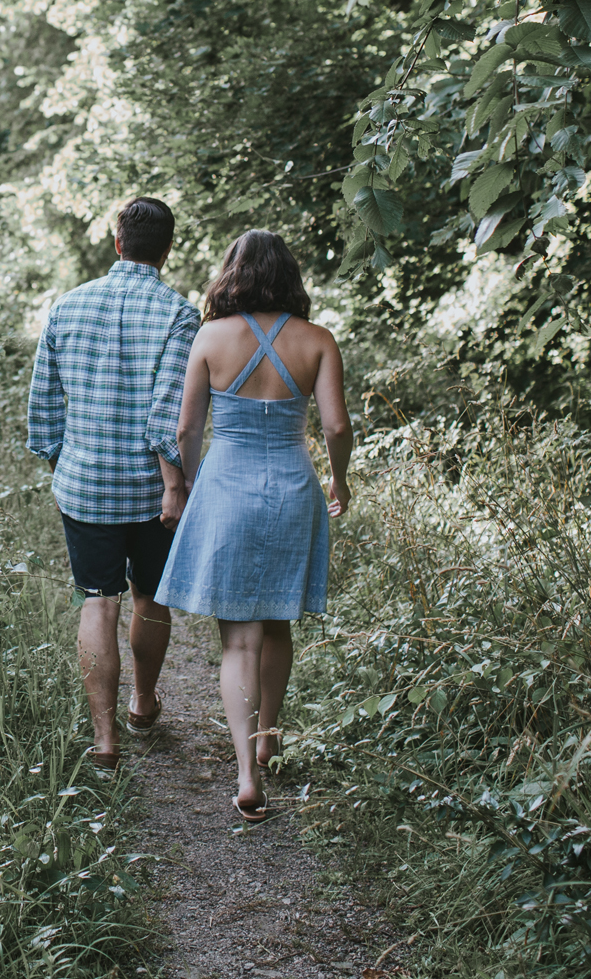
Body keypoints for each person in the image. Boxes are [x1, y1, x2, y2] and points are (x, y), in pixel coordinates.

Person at [156, 229, 353, 821]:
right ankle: (269, 735)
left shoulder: (211, 337)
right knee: (279, 624)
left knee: (239, 638)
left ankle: (246, 775)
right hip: (293, 486)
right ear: (290, 275)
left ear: (231, 273)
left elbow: (187, 431)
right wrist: (340, 480)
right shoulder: (317, 340)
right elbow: (337, 427)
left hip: (228, 487)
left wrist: (186, 484)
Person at [27, 197, 201, 771]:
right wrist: (175, 485)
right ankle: (144, 703)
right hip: (153, 492)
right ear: (167, 250)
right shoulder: (178, 315)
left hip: (84, 486)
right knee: (149, 598)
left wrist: (64, 462)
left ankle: (105, 740)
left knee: (97, 600)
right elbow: (170, 415)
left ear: (117, 243)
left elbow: (44, 403)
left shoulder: (67, 306)